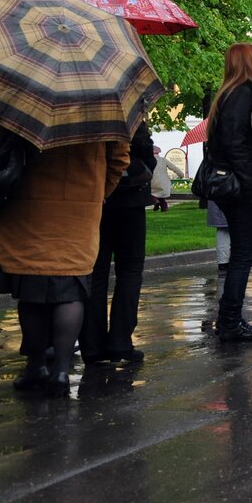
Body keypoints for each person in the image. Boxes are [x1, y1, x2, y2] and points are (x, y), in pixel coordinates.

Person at [0, 122, 129, 397]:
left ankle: (36, 366)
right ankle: (61, 370)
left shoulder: (27, 93)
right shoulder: (102, 106)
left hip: (28, 203)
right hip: (79, 210)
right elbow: (120, 158)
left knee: (31, 285)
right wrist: (97, 194)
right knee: (71, 287)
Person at [208, 43, 252, 342]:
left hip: (233, 180)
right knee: (246, 249)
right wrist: (248, 177)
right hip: (238, 183)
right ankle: (230, 319)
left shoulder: (229, 94)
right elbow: (235, 140)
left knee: (246, 249)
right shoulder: (242, 93)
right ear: (247, 62)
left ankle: (229, 317)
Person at [81, 121, 155, 364]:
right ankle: (120, 341)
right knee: (130, 271)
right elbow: (145, 152)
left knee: (97, 272)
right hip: (129, 199)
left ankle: (92, 344)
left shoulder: (80, 115)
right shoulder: (125, 114)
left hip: (95, 198)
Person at [149, 146, 184, 211]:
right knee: (161, 195)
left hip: (153, 182)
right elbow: (174, 167)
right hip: (164, 182)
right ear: (158, 152)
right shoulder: (163, 160)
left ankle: (156, 201)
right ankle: (164, 208)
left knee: (150, 193)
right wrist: (181, 174)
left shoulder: (148, 160)